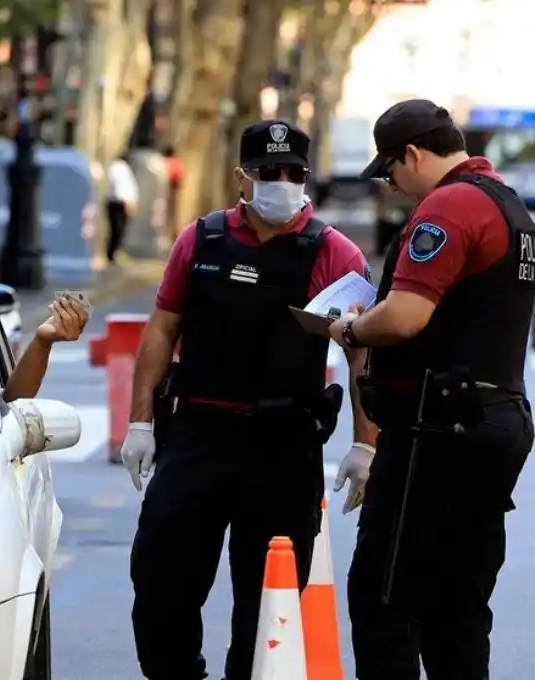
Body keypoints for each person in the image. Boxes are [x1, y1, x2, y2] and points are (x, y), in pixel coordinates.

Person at [122, 119, 375, 680]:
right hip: (198, 437)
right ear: (242, 177)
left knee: (266, 604)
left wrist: (366, 443)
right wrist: (139, 424)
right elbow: (161, 330)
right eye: (267, 172)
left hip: (283, 449)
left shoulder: (335, 253)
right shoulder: (201, 240)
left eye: (293, 173)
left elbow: (361, 356)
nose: (280, 182)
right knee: (161, 584)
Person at [328, 99, 534, 680]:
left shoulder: (449, 205)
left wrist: (349, 327)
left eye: (391, 170)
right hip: (494, 420)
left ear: (413, 154)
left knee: (386, 599)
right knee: (458, 608)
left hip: (437, 430)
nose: (391, 185)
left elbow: (403, 318)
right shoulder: (512, 207)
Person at [106, 152, 139, 263]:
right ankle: (112, 254)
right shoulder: (120, 168)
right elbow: (121, 188)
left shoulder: (119, 167)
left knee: (118, 230)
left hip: (118, 203)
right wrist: (127, 204)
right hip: (119, 203)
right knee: (118, 229)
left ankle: (113, 253)